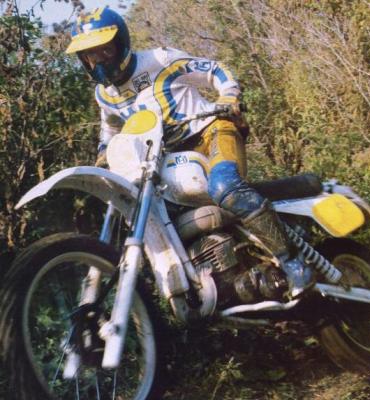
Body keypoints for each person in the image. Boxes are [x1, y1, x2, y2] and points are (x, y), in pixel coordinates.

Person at [65, 6, 312, 297]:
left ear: (121, 43)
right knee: (160, 216)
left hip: (211, 132)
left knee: (225, 187)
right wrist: (103, 153)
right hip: (166, 159)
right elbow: (110, 127)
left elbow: (214, 70)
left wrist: (228, 95)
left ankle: (293, 262)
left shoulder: (159, 60)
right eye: (90, 55)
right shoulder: (104, 95)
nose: (98, 60)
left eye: (105, 50)